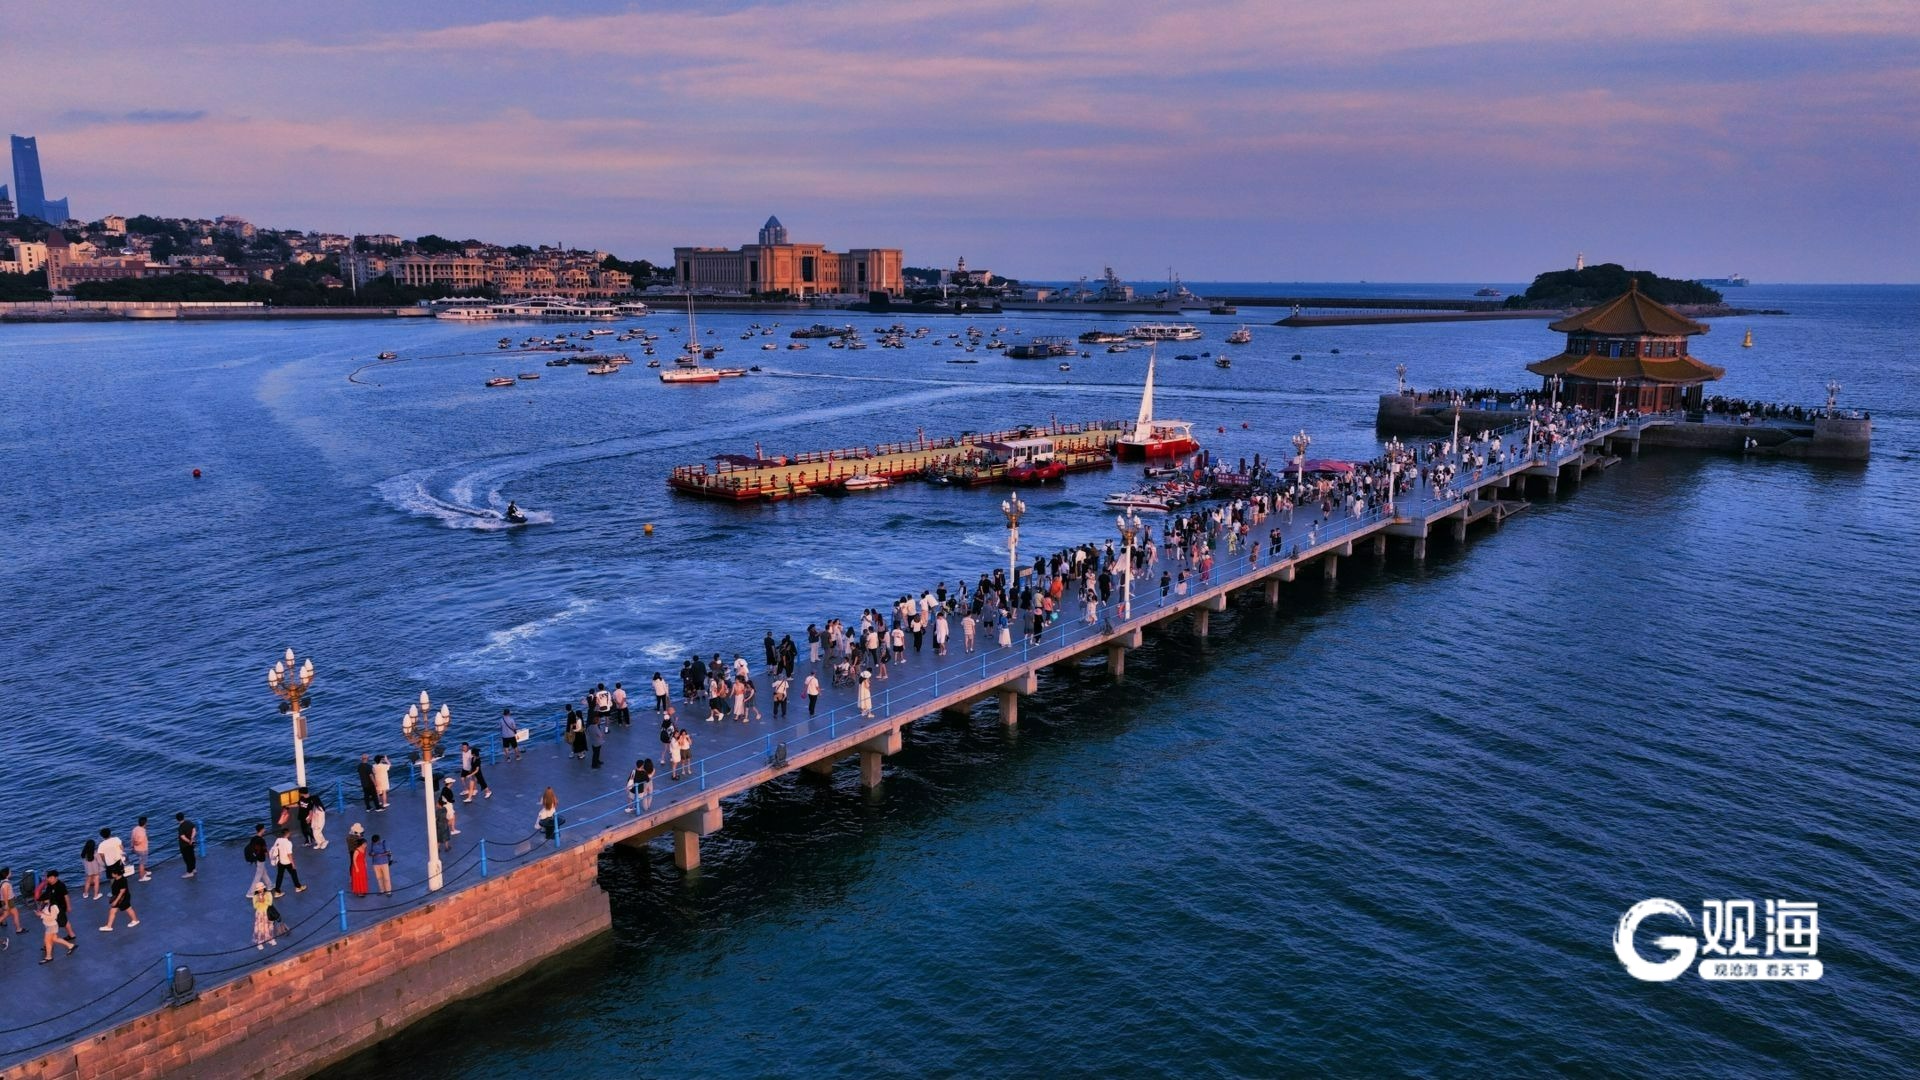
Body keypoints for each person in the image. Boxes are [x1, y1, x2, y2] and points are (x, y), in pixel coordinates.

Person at [38, 869, 75, 944]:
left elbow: (66, 896)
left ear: (56, 877)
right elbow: (47, 895)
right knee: (63, 921)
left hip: (60, 906)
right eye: (48, 878)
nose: (49, 879)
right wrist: (42, 906)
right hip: (53, 906)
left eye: (51, 878)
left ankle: (70, 935)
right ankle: (71, 935)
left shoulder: (61, 885)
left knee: (61, 922)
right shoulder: (49, 885)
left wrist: (68, 906)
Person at [37, 899, 74, 964]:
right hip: (48, 926)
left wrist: (42, 914)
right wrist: (40, 913)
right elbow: (45, 915)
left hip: (52, 926)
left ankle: (48, 957)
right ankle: (70, 945)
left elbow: (53, 917)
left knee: (47, 941)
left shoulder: (53, 906)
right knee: (55, 939)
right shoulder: (46, 905)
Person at [270, 828, 304, 895]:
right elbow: (289, 854)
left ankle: (277, 891)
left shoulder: (278, 840)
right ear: (288, 834)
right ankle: (298, 887)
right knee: (293, 874)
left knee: (280, 876)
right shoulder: (288, 843)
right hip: (287, 862)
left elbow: (274, 848)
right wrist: (293, 863)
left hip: (280, 861)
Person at [243, 824, 272, 896]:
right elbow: (265, 851)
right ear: (261, 830)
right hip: (261, 858)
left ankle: (269, 885)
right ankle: (250, 892)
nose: (265, 830)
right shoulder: (261, 840)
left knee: (264, 872)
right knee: (258, 876)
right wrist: (270, 857)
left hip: (256, 858)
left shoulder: (253, 838)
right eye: (264, 829)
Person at [251, 885, 275, 950]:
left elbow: (270, 903)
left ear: (264, 888)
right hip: (260, 913)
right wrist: (259, 900)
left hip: (268, 913)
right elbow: (255, 906)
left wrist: (264, 900)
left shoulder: (268, 894)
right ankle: (259, 942)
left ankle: (271, 939)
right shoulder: (255, 896)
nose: (260, 890)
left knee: (270, 926)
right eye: (259, 889)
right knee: (260, 928)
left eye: (261, 888)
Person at [347, 825, 369, 898]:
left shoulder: (355, 838)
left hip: (359, 858)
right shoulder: (351, 838)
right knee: (353, 865)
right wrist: (359, 839)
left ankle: (362, 889)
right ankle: (357, 888)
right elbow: (354, 858)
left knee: (362, 876)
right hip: (354, 853)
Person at [0, 867, 22, 935]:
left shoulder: (2, 882)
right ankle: (18, 929)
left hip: (7, 900)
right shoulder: (6, 884)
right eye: (10, 872)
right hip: (8, 901)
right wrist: (6, 904)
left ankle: (19, 929)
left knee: (5, 914)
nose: (11, 873)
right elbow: (5, 894)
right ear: (6, 874)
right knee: (15, 914)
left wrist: (13, 895)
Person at [80, 836, 101, 900]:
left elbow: (83, 863)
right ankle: (95, 895)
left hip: (88, 871)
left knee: (88, 881)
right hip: (96, 870)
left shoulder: (83, 854)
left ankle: (85, 894)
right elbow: (100, 862)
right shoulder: (95, 853)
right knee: (96, 882)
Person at [130, 817, 151, 882]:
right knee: (142, 863)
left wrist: (132, 846)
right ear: (145, 823)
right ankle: (142, 877)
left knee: (142, 861)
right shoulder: (142, 832)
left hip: (136, 849)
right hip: (142, 849)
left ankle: (144, 872)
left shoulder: (135, 829)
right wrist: (135, 843)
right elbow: (139, 842)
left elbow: (132, 838)